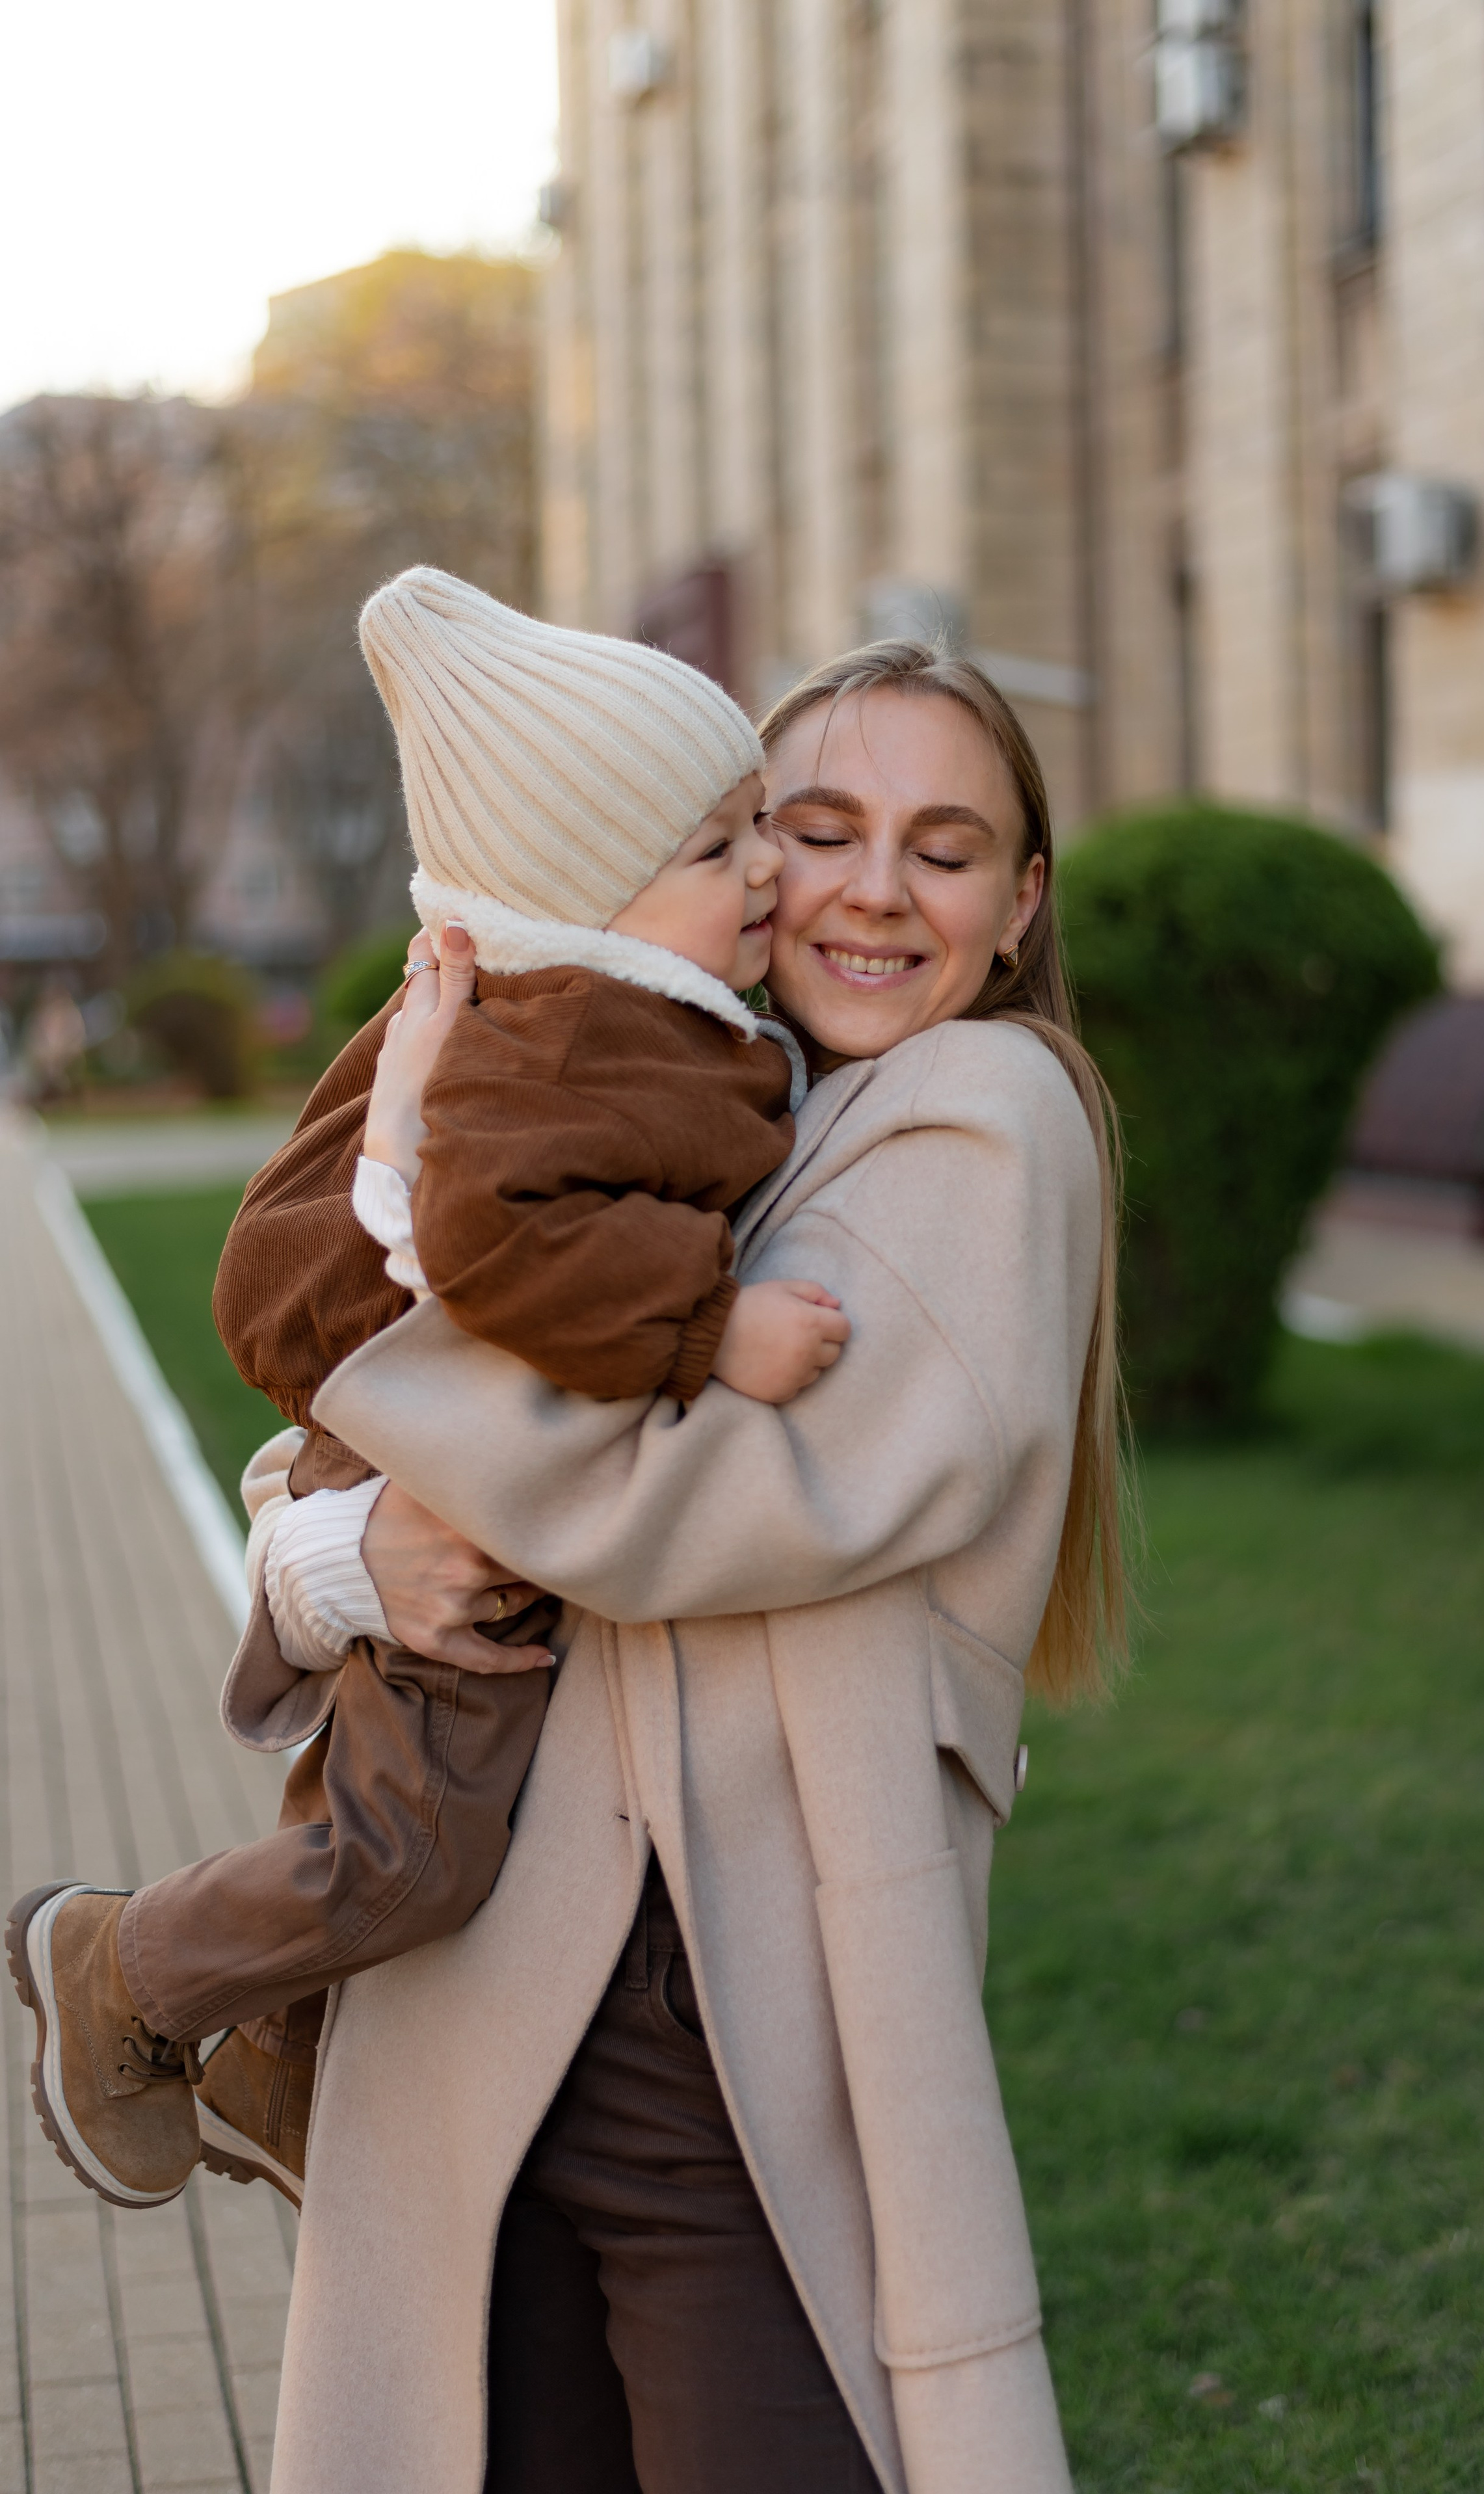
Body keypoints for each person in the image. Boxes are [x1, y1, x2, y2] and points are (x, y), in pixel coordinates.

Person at [234, 639, 1125, 2494]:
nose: (871, 890)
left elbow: (674, 1506)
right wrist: (328, 1554)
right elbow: (358, 1422)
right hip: (491, 1972)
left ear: (1022, 902)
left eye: (944, 848)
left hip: (745, 2011)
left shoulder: (984, 1114)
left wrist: (397, 1322)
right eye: (816, 828)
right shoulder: (687, 1079)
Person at [3, 568, 850, 2215]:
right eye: (713, 850)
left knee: (396, 1808)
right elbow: (489, 1239)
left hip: (446, 1462)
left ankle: (274, 2062)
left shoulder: (623, 1011)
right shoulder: (574, 1034)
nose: (766, 869)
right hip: (440, 1476)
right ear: (584, 898)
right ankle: (126, 1966)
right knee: (415, 1853)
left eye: (761, 822)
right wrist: (709, 1328)